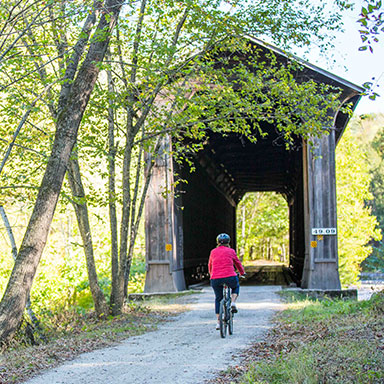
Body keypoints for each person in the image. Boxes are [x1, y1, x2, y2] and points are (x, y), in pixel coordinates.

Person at [208, 233, 245, 330]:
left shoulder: (213, 252)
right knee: (235, 286)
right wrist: (242, 273)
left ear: (218, 243)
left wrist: (211, 274)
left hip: (215, 278)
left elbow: (210, 265)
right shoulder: (231, 251)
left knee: (218, 298)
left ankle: (218, 323)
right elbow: (237, 263)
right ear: (228, 242)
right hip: (230, 277)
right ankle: (232, 302)